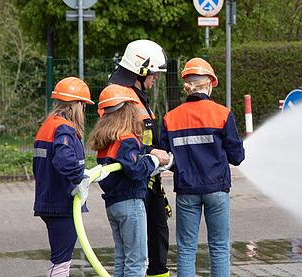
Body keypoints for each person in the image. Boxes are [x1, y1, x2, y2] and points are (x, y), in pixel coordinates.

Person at [160, 58, 245, 277]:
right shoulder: (222, 114)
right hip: (217, 189)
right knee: (218, 247)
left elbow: (165, 158)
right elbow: (237, 157)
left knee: (186, 249)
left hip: (186, 190)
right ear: (209, 84)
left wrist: (185, 168)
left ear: (186, 85)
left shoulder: (170, 118)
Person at [88, 84, 171, 277]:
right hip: (130, 203)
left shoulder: (106, 140)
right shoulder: (126, 138)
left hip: (113, 204)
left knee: (122, 259)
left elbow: (129, 158)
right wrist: (155, 160)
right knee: (137, 261)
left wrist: (148, 152)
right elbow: (135, 170)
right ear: (127, 111)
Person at [109, 39, 172, 277]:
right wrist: (151, 155)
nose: (154, 78)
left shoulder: (138, 99)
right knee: (136, 256)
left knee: (157, 242)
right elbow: (120, 143)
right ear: (141, 70)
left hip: (149, 182)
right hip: (134, 184)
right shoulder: (120, 98)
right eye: (153, 73)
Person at [33, 77, 94, 277]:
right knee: (61, 263)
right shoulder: (64, 129)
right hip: (61, 204)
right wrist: (80, 179)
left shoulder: (48, 125)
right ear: (76, 105)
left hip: (49, 200)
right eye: (83, 105)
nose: (84, 110)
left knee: (60, 260)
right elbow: (64, 160)